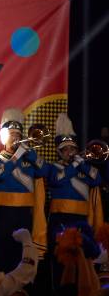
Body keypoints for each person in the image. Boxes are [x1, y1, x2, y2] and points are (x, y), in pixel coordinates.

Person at [43, 113, 103, 275]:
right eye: (65, 149)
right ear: (59, 152)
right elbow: (56, 181)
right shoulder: (53, 167)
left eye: (73, 148)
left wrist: (81, 164)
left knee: (83, 261)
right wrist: (75, 165)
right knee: (60, 261)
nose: (70, 151)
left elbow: (97, 180)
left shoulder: (83, 166)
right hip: (60, 219)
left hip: (81, 220)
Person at [0, 107, 46, 271]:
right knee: (3, 253)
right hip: (4, 214)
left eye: (19, 135)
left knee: (22, 255)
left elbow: (44, 172)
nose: (16, 138)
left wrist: (32, 155)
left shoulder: (29, 158)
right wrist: (16, 156)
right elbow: (1, 175)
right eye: (13, 135)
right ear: (5, 138)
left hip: (24, 214)